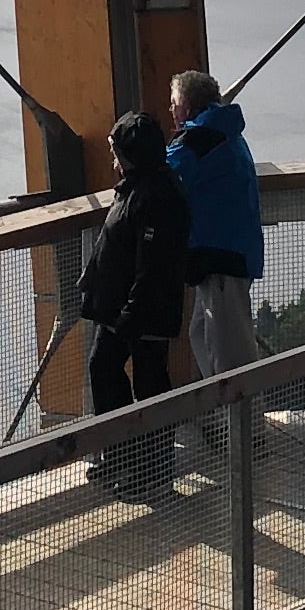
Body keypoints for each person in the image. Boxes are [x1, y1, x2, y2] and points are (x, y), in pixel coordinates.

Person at [73, 108, 190, 499]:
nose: (112, 158)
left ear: (130, 154)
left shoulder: (153, 196)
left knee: (149, 385)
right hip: (125, 308)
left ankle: (148, 471)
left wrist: (127, 315)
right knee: (110, 371)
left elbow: (151, 267)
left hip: (140, 311)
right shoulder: (141, 186)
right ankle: (125, 458)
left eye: (115, 150)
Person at [168, 68, 265, 378]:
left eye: (173, 102)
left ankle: (244, 424)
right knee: (202, 332)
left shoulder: (199, 138)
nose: (170, 110)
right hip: (233, 248)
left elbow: (164, 175)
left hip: (219, 255)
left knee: (230, 356)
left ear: (184, 104)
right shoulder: (226, 131)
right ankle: (229, 417)